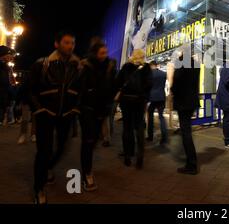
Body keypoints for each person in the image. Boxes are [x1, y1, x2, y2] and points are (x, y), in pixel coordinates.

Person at [30, 31, 81, 204]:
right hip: (46, 114)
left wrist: (75, 109)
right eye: (66, 42)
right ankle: (39, 188)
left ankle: (48, 167)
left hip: (65, 115)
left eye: (72, 43)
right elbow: (29, 90)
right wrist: (38, 110)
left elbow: (80, 90)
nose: (70, 46)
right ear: (56, 44)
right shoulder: (42, 64)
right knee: (43, 152)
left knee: (62, 147)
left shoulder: (77, 66)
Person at [78, 38, 117, 191]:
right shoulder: (86, 66)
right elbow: (80, 87)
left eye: (106, 52)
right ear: (94, 53)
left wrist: (110, 101)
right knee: (88, 141)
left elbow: (113, 85)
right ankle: (87, 174)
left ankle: (86, 164)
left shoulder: (110, 66)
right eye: (102, 53)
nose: (104, 55)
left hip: (102, 109)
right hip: (87, 109)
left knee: (93, 140)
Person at [115, 49, 152, 169]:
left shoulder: (126, 67)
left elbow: (118, 82)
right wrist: (144, 98)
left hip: (126, 101)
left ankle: (127, 155)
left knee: (127, 128)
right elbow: (149, 85)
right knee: (139, 127)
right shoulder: (146, 68)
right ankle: (140, 156)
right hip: (139, 102)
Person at [170, 47, 201, 175]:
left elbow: (176, 82)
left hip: (183, 102)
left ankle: (191, 164)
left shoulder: (181, 64)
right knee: (187, 131)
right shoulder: (196, 65)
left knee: (186, 132)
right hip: (192, 101)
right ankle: (191, 161)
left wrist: (172, 91)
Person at [147, 60, 168, 145]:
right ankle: (164, 137)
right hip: (161, 97)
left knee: (150, 113)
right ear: (156, 65)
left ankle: (150, 135)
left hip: (152, 97)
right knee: (161, 116)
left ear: (151, 66)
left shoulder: (149, 74)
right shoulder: (163, 74)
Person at [17, 71, 36, 144]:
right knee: (25, 118)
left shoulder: (38, 79)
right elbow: (21, 90)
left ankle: (32, 134)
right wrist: (18, 101)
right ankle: (24, 134)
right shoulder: (27, 80)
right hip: (26, 100)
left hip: (34, 100)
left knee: (34, 118)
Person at [0, 46, 15, 126]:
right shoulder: (2, 66)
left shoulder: (6, 67)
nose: (11, 57)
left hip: (4, 92)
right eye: (9, 55)